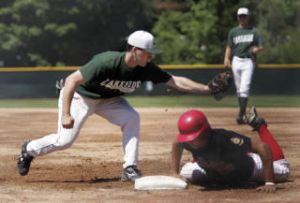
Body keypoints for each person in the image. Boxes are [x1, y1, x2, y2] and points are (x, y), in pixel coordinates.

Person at [17, 30, 213, 182]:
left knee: (132, 118)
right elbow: (70, 81)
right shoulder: (107, 61)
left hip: (110, 100)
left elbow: (175, 82)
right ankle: (29, 149)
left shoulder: (145, 69)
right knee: (64, 141)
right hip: (82, 97)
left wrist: (207, 89)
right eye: (148, 53)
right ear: (135, 50)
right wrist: (66, 114)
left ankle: (130, 168)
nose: (151, 57)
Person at [171, 107, 290, 192]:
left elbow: (262, 146)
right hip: (216, 171)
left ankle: (260, 126)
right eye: (187, 138)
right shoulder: (187, 141)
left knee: (284, 170)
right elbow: (177, 143)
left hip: (251, 170)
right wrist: (174, 172)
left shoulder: (225, 139)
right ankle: (204, 162)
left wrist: (269, 182)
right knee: (184, 174)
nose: (190, 141)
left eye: (194, 137)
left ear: (205, 132)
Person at [223, 7, 264, 124]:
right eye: (240, 16)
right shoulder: (233, 32)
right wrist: (226, 58)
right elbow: (229, 46)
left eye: (244, 16)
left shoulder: (254, 31)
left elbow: (261, 46)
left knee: (244, 87)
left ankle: (241, 114)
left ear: (248, 17)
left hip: (248, 61)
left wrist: (257, 49)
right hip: (236, 60)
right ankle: (243, 114)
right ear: (237, 17)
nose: (242, 18)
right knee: (239, 89)